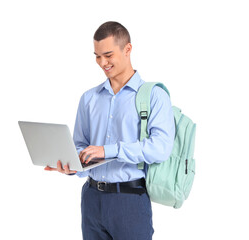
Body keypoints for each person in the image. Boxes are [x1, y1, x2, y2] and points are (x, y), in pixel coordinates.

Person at [45, 21, 175, 240]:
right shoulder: (89, 98)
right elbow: (81, 144)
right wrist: (73, 165)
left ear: (127, 49)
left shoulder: (154, 96)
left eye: (108, 55)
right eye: (97, 56)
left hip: (129, 200)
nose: (102, 62)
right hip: (91, 199)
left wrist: (108, 150)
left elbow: (161, 148)